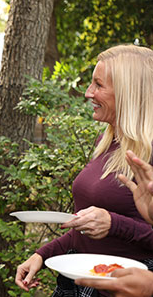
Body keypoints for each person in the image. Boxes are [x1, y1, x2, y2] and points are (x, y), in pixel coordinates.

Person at [15, 44, 153, 296]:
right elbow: (86, 228)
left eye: (98, 85)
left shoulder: (149, 153)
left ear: (127, 92)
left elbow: (114, 226)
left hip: (127, 286)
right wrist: (42, 254)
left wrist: (114, 224)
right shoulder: (106, 142)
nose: (89, 93)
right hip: (81, 281)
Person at [74, 150, 153, 297]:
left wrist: (150, 288)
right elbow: (87, 224)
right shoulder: (105, 143)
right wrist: (45, 253)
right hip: (90, 276)